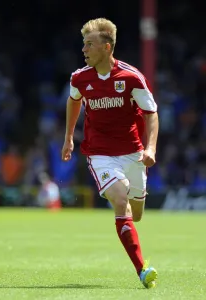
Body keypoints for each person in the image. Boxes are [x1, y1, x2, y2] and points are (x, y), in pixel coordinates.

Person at [61, 18, 159, 288]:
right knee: (119, 197)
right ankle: (142, 270)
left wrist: (150, 148)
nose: (84, 49)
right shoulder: (79, 78)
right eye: (83, 44)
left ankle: (130, 216)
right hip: (100, 152)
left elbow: (151, 114)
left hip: (133, 153)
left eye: (89, 44)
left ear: (106, 47)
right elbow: (73, 101)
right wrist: (69, 137)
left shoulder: (131, 77)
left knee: (135, 214)